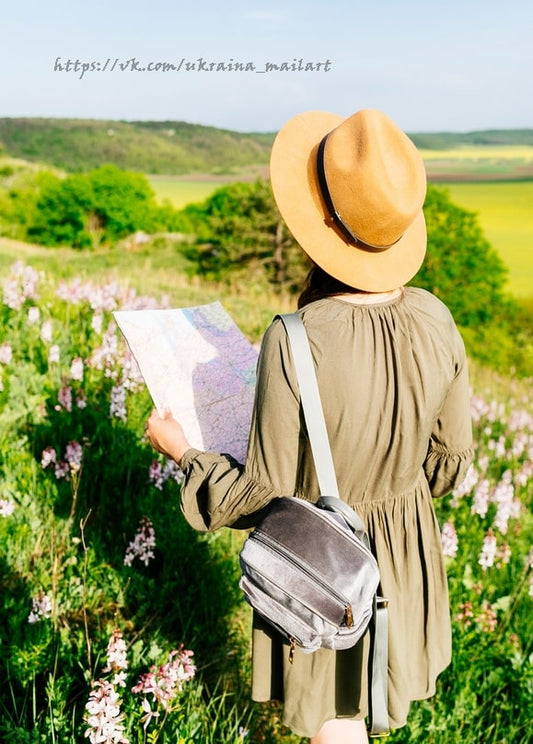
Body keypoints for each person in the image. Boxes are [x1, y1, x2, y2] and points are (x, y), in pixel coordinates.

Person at [146, 109, 474, 743]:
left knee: (337, 725)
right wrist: (389, 480)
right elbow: (449, 464)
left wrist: (184, 451)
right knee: (371, 708)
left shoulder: (293, 338)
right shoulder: (439, 319)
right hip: (404, 551)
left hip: (324, 557)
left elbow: (264, 495)